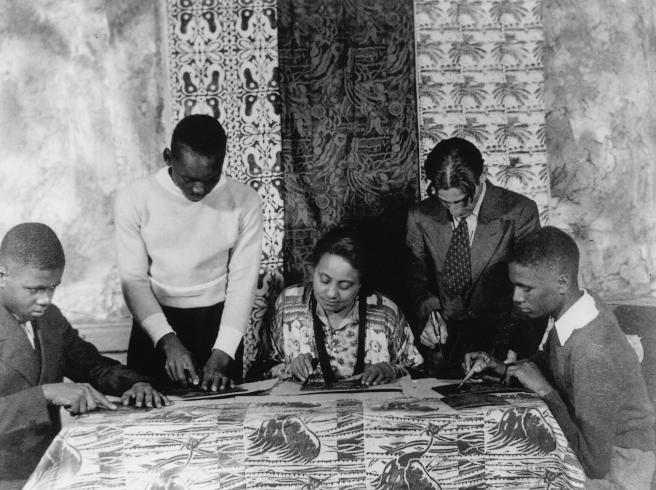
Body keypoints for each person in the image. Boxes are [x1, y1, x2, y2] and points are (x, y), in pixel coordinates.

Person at [465, 227, 655, 488]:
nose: (516, 298)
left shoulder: (592, 352)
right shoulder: (580, 309)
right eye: (515, 286)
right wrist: (503, 369)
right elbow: (558, 365)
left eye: (526, 288)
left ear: (562, 283)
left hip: (623, 470)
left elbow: (593, 463)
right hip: (602, 454)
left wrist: (543, 390)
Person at [0, 223, 169, 486]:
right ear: (2, 276)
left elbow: (95, 367)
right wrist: (45, 394)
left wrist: (136, 384)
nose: (46, 299)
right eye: (34, 289)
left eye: (52, 287)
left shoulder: (51, 319)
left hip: (49, 470)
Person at [115, 114, 263, 391]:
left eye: (210, 178)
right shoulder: (134, 199)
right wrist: (166, 340)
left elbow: (242, 284)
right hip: (154, 323)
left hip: (218, 326)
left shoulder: (246, 202)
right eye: (189, 178)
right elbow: (133, 281)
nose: (199, 189)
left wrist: (222, 354)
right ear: (168, 158)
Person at [405, 137, 541, 377]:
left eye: (461, 201)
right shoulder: (420, 216)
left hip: (502, 348)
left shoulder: (520, 212)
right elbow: (416, 281)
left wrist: (514, 351)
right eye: (445, 203)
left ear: (482, 176)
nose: (454, 211)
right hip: (444, 351)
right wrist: (431, 315)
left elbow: (532, 287)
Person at [268, 228, 423, 385]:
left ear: (360, 284)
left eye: (344, 285)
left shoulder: (386, 312)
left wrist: (391, 371)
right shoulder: (287, 304)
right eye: (324, 280)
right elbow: (263, 371)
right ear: (312, 271)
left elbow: (419, 374)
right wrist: (289, 369)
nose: (331, 293)